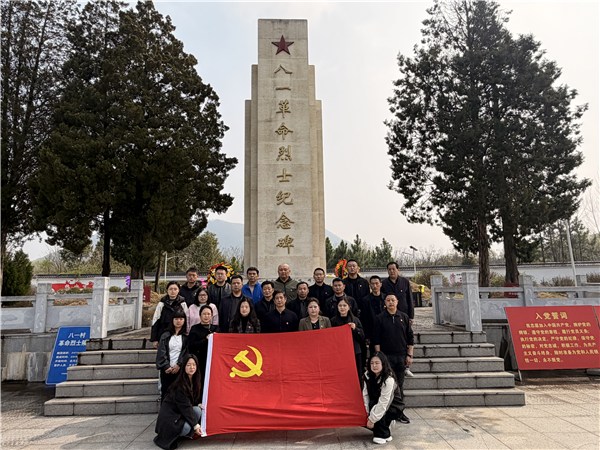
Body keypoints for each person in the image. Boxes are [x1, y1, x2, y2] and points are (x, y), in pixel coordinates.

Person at [372, 294, 414, 424]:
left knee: (399, 385)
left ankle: (400, 412)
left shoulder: (404, 317)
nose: (391, 302)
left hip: (401, 356)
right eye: (388, 300)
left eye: (393, 300)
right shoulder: (380, 318)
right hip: (386, 357)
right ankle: (386, 411)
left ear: (397, 302)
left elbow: (410, 337)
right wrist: (379, 357)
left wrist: (410, 355)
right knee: (386, 385)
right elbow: (376, 339)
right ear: (385, 302)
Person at [154, 354, 203, 449]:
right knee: (187, 427)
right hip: (170, 419)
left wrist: (198, 404)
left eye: (194, 365)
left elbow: (190, 402)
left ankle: (182, 433)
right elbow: (186, 407)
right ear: (184, 366)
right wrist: (196, 426)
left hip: (179, 414)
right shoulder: (179, 386)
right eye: (188, 365)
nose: (192, 367)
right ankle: (176, 435)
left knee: (197, 410)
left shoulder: (194, 380)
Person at [381, 262, 415, 378]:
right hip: (389, 315)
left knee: (405, 338)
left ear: (398, 270)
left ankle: (406, 367)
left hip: (403, 315)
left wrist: (411, 316)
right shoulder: (384, 283)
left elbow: (410, 299)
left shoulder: (405, 282)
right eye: (389, 269)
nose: (391, 271)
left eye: (393, 269)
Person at [363, 352, 404, 445]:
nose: (374, 365)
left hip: (392, 406)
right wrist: (367, 413)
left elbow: (384, 403)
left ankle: (383, 434)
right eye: (372, 363)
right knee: (372, 407)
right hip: (376, 403)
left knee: (376, 407)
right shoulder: (367, 375)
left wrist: (372, 419)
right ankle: (385, 425)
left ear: (383, 364)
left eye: (377, 363)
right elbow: (365, 395)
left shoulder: (389, 379)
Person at [155, 310, 188, 402]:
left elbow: (186, 352)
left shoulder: (186, 337)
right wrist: (166, 366)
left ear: (184, 320)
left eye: (181, 319)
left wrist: (179, 364)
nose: (178, 321)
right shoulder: (165, 335)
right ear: (172, 320)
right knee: (166, 393)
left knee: (180, 393)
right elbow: (161, 352)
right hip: (167, 369)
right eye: (176, 319)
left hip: (180, 369)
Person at [330, 297, 365, 380]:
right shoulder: (333, 321)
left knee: (356, 375)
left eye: (344, 305)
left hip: (354, 352)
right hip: (339, 353)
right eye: (340, 306)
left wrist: (355, 329)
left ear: (349, 307)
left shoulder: (355, 320)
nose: (342, 308)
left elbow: (362, 337)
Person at [151, 281, 189, 349]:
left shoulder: (182, 303)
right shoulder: (162, 303)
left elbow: (187, 319)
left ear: (178, 290)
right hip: (163, 332)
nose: (173, 291)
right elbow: (156, 320)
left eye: (175, 289)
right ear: (167, 290)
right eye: (170, 289)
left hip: (179, 333)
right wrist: (154, 339)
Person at [188, 305, 218, 377]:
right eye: (204, 314)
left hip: (212, 360)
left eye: (208, 314)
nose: (206, 316)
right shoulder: (194, 328)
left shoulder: (216, 328)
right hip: (199, 360)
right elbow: (191, 345)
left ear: (212, 316)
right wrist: (206, 339)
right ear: (200, 315)